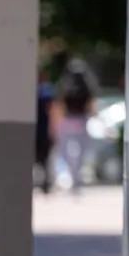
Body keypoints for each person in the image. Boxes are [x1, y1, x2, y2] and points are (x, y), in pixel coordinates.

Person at [50, 58, 99, 193]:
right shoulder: (86, 87)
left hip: (67, 123)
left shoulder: (64, 85)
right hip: (81, 121)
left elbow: (59, 106)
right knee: (81, 152)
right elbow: (91, 106)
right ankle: (75, 178)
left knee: (64, 152)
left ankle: (66, 177)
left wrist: (55, 124)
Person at [36, 69, 56, 193]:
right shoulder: (41, 90)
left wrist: (52, 129)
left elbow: (52, 110)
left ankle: (45, 183)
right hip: (40, 130)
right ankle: (43, 182)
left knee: (44, 159)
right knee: (42, 159)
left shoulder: (45, 90)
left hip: (43, 130)